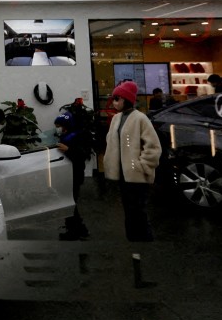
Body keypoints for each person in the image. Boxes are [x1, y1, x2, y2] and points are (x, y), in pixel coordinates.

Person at [103, 81, 162, 242]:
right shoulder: (116, 118)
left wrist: (141, 166)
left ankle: (144, 243)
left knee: (138, 211)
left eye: (117, 98)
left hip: (136, 175)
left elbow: (153, 147)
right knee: (129, 211)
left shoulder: (140, 118)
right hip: (122, 175)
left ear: (126, 99)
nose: (114, 102)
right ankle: (134, 243)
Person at [55, 106, 93, 241]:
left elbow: (82, 155)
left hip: (74, 174)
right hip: (66, 174)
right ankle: (78, 229)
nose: (59, 129)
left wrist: (68, 149)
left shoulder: (79, 136)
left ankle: (76, 230)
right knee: (69, 203)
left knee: (69, 203)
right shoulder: (68, 135)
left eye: (61, 126)